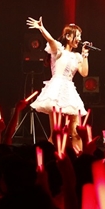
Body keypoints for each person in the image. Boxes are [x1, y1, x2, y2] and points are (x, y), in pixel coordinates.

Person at [26, 16, 89, 149]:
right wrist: (41, 28)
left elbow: (84, 73)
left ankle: (79, 156)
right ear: (68, 36)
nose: (79, 39)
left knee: (75, 131)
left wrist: (84, 54)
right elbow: (50, 39)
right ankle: (50, 156)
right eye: (77, 36)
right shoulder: (58, 51)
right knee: (56, 132)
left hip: (70, 91)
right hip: (56, 90)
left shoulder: (77, 56)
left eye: (80, 36)